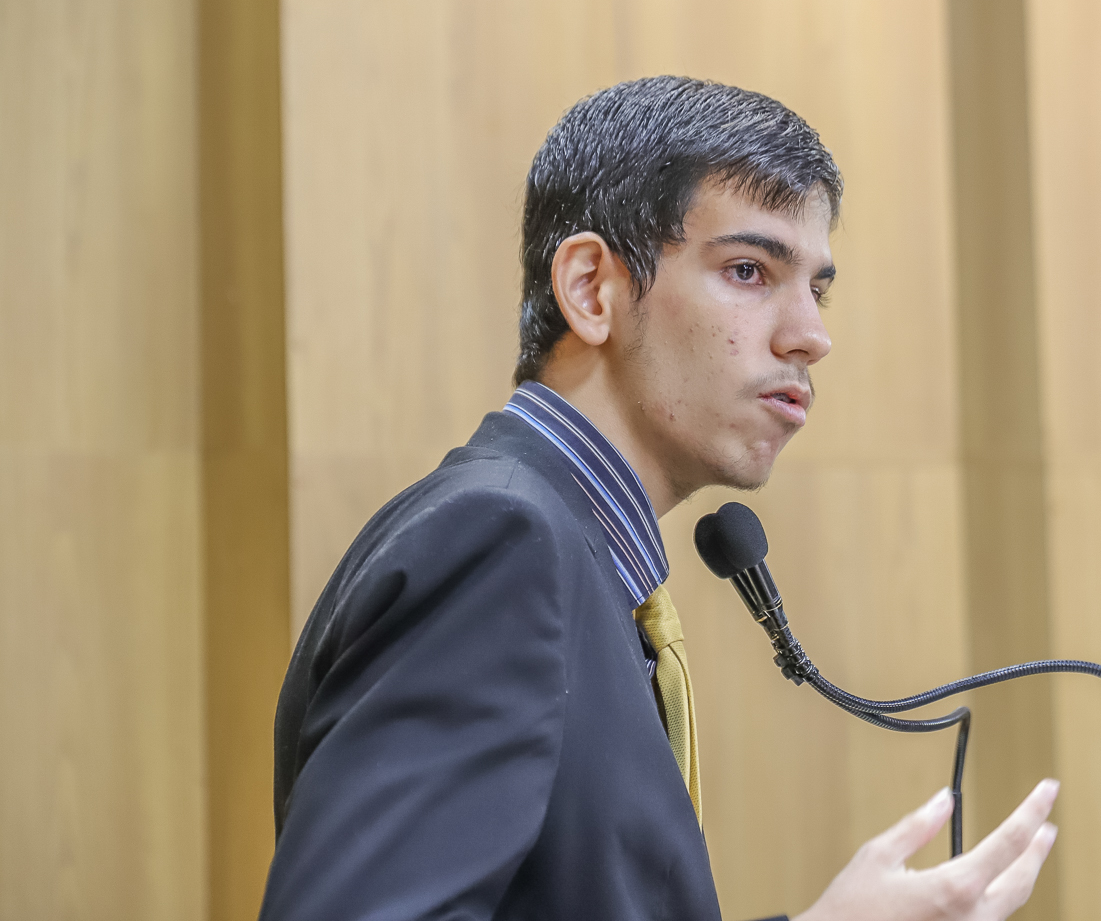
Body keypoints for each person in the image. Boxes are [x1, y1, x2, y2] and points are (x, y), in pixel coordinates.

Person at [260, 75, 1059, 921]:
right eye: (749, 271)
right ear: (590, 289)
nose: (811, 336)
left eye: (817, 289)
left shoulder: (566, 555)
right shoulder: (500, 543)